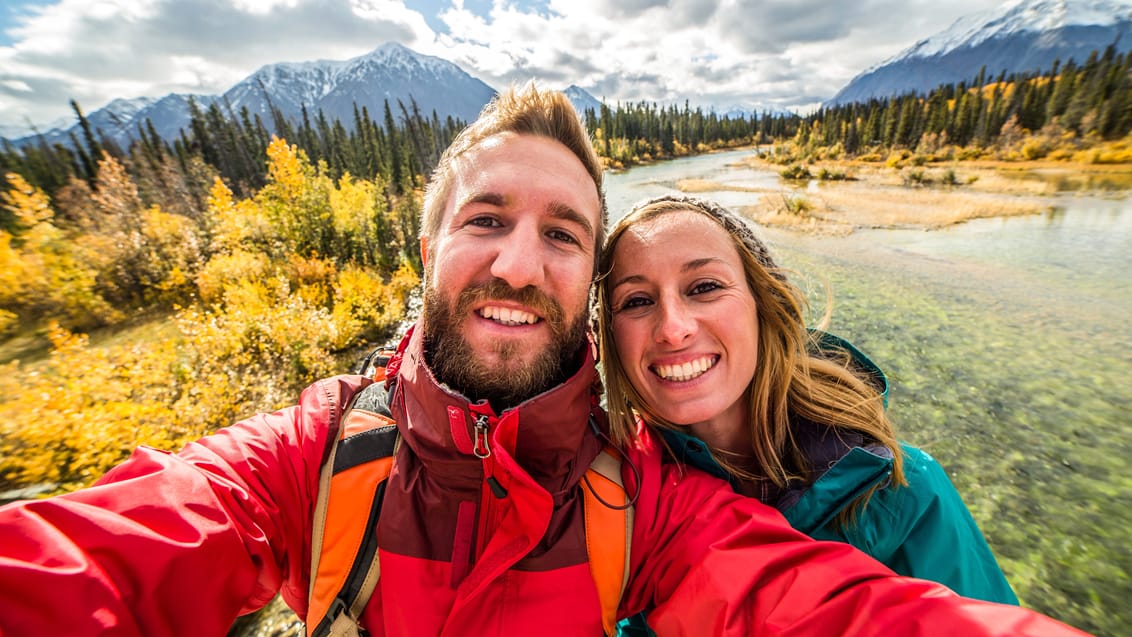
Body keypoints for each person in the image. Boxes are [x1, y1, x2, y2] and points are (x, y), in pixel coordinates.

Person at [0, 85, 1090, 637]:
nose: (520, 264)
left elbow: (837, 608)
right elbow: (119, 546)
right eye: (486, 219)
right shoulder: (320, 455)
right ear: (425, 250)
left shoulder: (650, 497)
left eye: (565, 233)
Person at [594, 195, 1022, 635]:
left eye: (704, 287)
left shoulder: (903, 491)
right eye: (636, 300)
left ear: (764, 304)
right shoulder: (615, 498)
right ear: (612, 339)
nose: (673, 327)